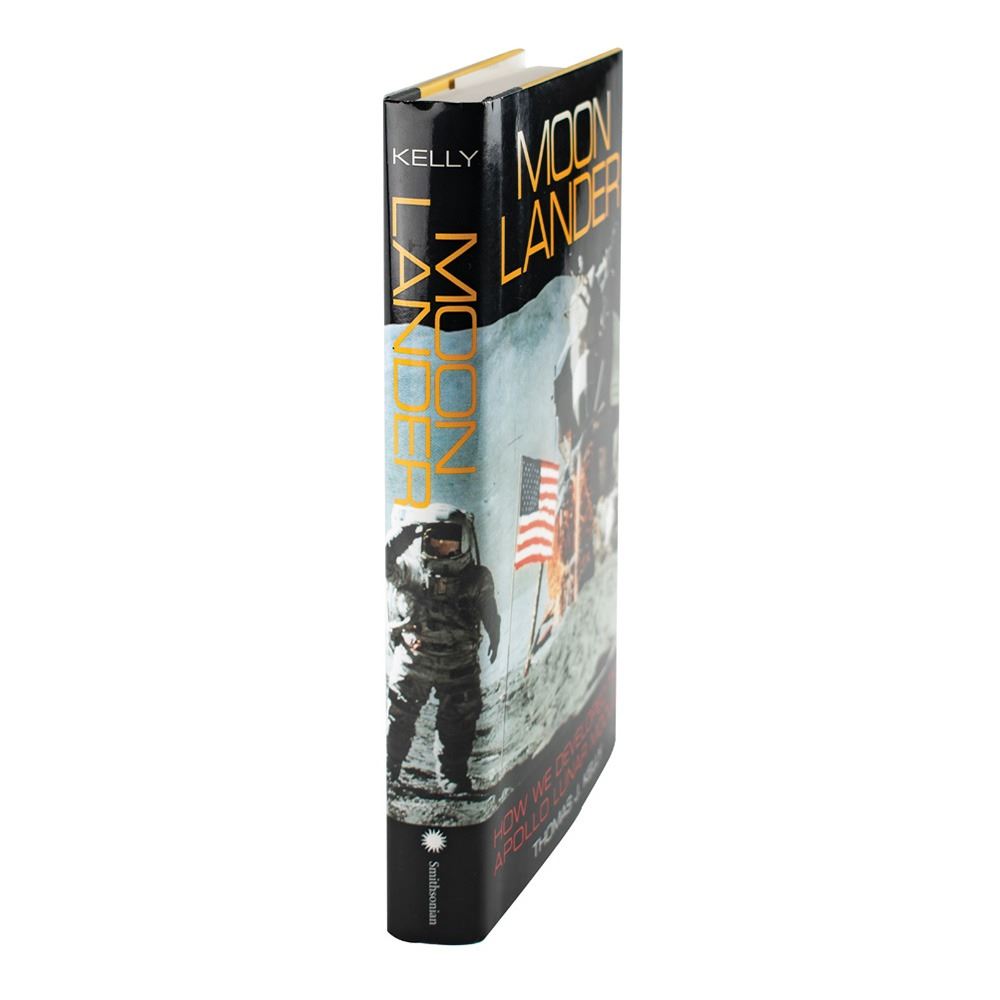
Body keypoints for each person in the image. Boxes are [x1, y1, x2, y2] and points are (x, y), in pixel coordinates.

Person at [385, 505, 500, 794]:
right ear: (423, 539)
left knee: (459, 722)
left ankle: (453, 778)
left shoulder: (476, 579)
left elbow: (489, 610)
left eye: (450, 539)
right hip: (415, 660)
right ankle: (387, 768)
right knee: (397, 715)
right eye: (434, 539)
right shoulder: (411, 571)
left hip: (458, 663)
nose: (442, 545)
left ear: (464, 541)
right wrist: (403, 535)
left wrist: (495, 635)